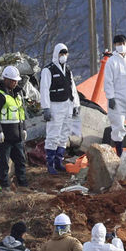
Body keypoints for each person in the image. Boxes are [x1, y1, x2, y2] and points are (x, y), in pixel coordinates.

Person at [40, 43, 81, 175]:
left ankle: (59, 161)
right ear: (56, 54)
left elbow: (73, 88)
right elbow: (44, 89)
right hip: (55, 105)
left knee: (64, 134)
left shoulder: (68, 70)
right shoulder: (48, 70)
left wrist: (76, 104)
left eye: (65, 53)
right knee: (53, 135)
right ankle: (50, 163)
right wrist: (46, 107)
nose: (63, 56)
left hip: (67, 104)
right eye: (61, 53)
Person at [0, 65, 29, 192]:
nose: (15, 83)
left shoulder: (17, 94)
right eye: (12, 81)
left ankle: (23, 185)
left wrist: (24, 128)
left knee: (21, 161)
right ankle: (5, 186)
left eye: (16, 81)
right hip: (4, 136)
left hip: (17, 135)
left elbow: (21, 114)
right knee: (4, 163)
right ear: (5, 79)